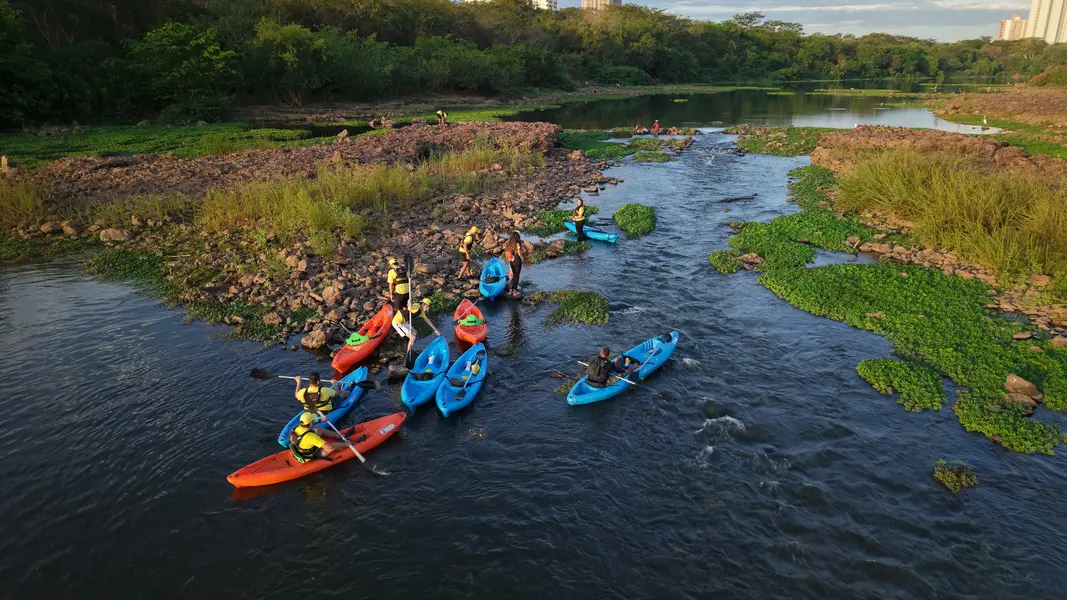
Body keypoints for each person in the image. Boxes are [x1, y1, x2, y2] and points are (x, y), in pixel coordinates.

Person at [288, 412, 358, 464]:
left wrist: (321, 420)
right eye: (313, 420)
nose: (314, 420)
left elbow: (310, 424)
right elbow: (329, 447)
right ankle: (348, 444)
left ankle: (342, 436)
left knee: (319, 429)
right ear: (310, 423)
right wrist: (346, 444)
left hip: (303, 448)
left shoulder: (298, 427)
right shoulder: (311, 437)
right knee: (332, 446)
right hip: (310, 456)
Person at [503, 231, 524, 299]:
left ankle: (510, 291)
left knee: (513, 275)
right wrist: (522, 258)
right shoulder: (517, 244)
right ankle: (515, 292)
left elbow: (506, 252)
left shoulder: (508, 243)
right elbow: (519, 253)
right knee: (516, 276)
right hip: (517, 260)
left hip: (511, 261)